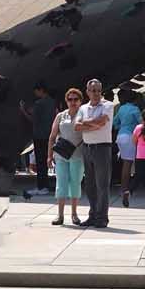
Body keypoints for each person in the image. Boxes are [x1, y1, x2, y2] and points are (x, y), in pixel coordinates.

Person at [74, 78, 115, 228]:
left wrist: (87, 124)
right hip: (87, 148)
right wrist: (94, 124)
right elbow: (77, 126)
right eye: (93, 90)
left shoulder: (108, 105)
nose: (96, 93)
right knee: (90, 185)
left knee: (102, 185)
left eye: (98, 90)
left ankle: (102, 217)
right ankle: (93, 214)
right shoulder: (83, 108)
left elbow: (103, 122)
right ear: (87, 92)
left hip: (102, 148)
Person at [51, 86, 86, 226]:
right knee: (61, 183)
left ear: (80, 101)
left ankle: (74, 214)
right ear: (66, 101)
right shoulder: (61, 115)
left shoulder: (84, 115)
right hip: (61, 155)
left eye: (75, 99)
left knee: (75, 183)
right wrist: (49, 155)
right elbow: (52, 135)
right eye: (70, 99)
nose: (73, 102)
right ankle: (59, 215)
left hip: (77, 155)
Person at [114, 90, 143, 207]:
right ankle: (125, 190)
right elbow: (142, 123)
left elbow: (115, 122)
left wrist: (121, 126)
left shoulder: (121, 108)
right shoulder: (135, 110)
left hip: (120, 136)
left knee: (126, 163)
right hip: (130, 137)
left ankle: (124, 189)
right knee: (128, 164)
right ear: (135, 100)